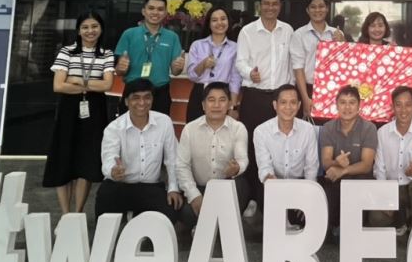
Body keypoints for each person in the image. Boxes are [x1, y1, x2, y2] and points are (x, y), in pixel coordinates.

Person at [44, 11, 115, 214]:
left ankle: (77, 212)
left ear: (101, 29)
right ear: (78, 30)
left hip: (95, 109)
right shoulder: (67, 52)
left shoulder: (106, 54)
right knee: (64, 157)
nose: (90, 31)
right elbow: (58, 85)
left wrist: (77, 80)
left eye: (94, 26)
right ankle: (65, 213)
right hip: (68, 109)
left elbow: (107, 85)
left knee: (87, 159)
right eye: (85, 27)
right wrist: (91, 85)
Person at [236, 0, 295, 215]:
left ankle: (279, 197)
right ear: (260, 6)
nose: (270, 7)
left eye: (275, 4)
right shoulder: (247, 31)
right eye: (266, 3)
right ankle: (253, 197)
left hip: (280, 98)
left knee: (280, 146)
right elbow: (240, 61)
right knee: (253, 146)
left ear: (280, 6)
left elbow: (292, 63)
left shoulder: (287, 30)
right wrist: (249, 72)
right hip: (255, 96)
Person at [96, 78, 184, 221]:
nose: (142, 103)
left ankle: (137, 214)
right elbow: (108, 158)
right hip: (121, 185)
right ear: (126, 101)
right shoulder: (114, 128)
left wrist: (173, 188)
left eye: (147, 97)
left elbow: (172, 158)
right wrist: (113, 171)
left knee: (171, 212)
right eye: (136, 98)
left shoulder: (164, 122)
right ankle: (131, 214)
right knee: (104, 211)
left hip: (151, 186)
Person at [176, 82, 250, 230]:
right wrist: (194, 196)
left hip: (225, 187)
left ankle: (217, 226)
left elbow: (242, 159)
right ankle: (215, 225)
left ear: (229, 104)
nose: (216, 105)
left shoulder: (238, 128)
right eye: (211, 100)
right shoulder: (190, 129)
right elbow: (181, 166)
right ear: (203, 105)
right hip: (200, 188)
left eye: (222, 100)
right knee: (186, 213)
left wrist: (236, 168)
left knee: (241, 186)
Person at [369, 86, 412, 236]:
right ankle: (401, 217)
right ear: (393, 107)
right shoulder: (382, 132)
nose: (403, 110)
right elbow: (379, 169)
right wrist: (384, 196)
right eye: (398, 105)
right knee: (376, 219)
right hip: (392, 187)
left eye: (408, 105)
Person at [255, 84, 320, 227]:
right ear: (275, 105)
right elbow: (264, 166)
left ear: (299, 105)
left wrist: (308, 195)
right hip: (273, 184)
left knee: (301, 221)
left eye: (293, 102)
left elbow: (311, 167)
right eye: (283, 102)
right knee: (275, 222)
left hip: (299, 185)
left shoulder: (308, 130)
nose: (288, 107)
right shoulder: (261, 131)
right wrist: (274, 185)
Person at [319, 85, 378, 237]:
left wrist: (343, 170)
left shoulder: (369, 128)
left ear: (359, 106)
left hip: (360, 179)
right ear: (336, 105)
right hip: (335, 178)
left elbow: (366, 165)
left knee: (358, 184)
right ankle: (333, 226)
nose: (347, 107)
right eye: (343, 102)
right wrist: (336, 163)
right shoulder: (328, 128)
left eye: (352, 103)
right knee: (327, 185)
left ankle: (352, 229)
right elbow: (326, 162)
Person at [114, 0, 186, 115]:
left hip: (160, 93)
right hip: (133, 91)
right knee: (129, 126)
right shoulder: (129, 34)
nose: (155, 12)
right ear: (143, 11)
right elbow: (119, 72)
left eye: (160, 9)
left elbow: (175, 72)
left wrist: (178, 66)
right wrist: (121, 67)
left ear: (165, 13)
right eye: (151, 8)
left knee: (159, 126)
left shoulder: (172, 37)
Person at [291, 0, 346, 119]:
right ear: (307, 10)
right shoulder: (299, 35)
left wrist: (341, 43)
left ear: (327, 8)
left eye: (321, 6)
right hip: (308, 89)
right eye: (313, 7)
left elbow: (345, 63)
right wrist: (305, 98)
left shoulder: (337, 33)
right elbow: (298, 68)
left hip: (333, 89)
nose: (317, 10)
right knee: (309, 127)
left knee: (331, 127)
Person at [185, 6, 242, 122]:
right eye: (214, 20)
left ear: (228, 22)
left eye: (223, 19)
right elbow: (191, 75)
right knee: (196, 129)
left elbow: (235, 79)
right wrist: (203, 64)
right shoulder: (197, 45)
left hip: (223, 95)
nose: (219, 23)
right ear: (209, 24)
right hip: (200, 93)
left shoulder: (235, 48)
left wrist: (233, 106)